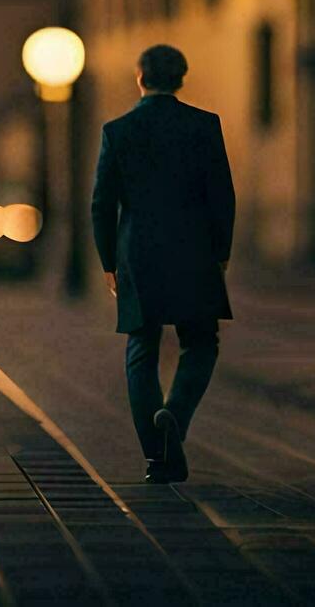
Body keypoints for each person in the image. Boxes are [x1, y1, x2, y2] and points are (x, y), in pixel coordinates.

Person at [90, 44, 234, 483]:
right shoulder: (204, 126)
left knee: (141, 349)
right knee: (201, 342)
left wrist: (108, 261)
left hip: (139, 254)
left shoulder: (118, 131)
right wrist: (221, 252)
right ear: (182, 78)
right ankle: (174, 412)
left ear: (140, 78)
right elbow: (223, 198)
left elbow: (102, 204)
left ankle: (158, 456)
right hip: (194, 252)